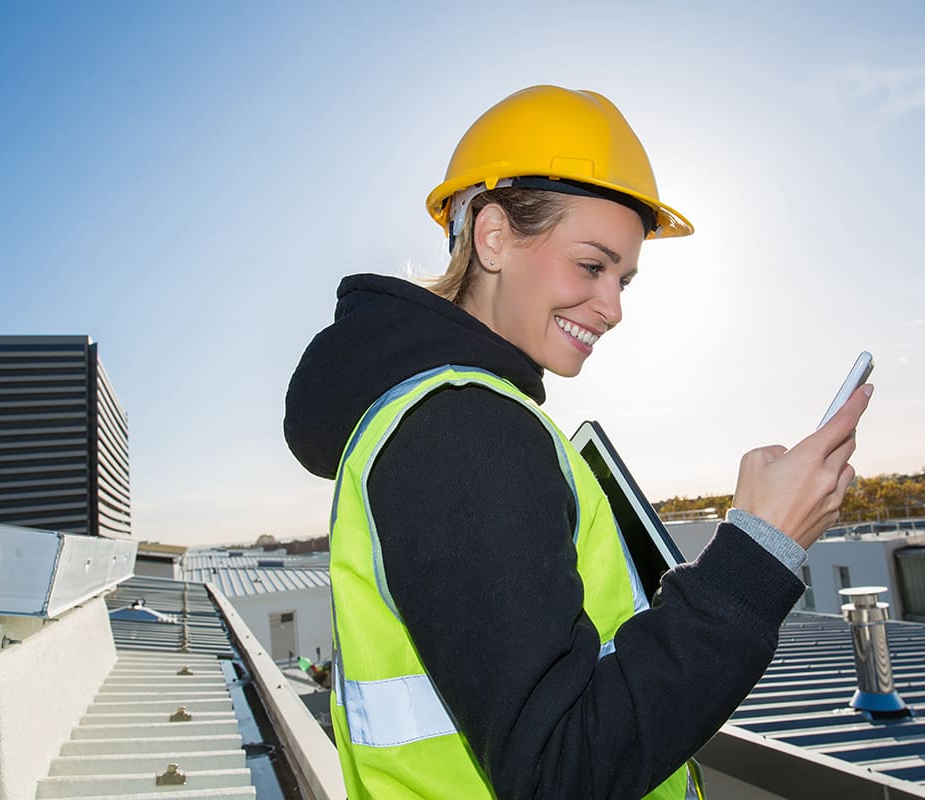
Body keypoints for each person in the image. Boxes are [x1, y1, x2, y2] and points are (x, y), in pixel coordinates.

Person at [284, 85, 870, 800]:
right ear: (493, 236)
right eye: (592, 266)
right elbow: (560, 773)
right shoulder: (465, 430)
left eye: (623, 278)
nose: (614, 307)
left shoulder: (447, 418)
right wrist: (758, 553)